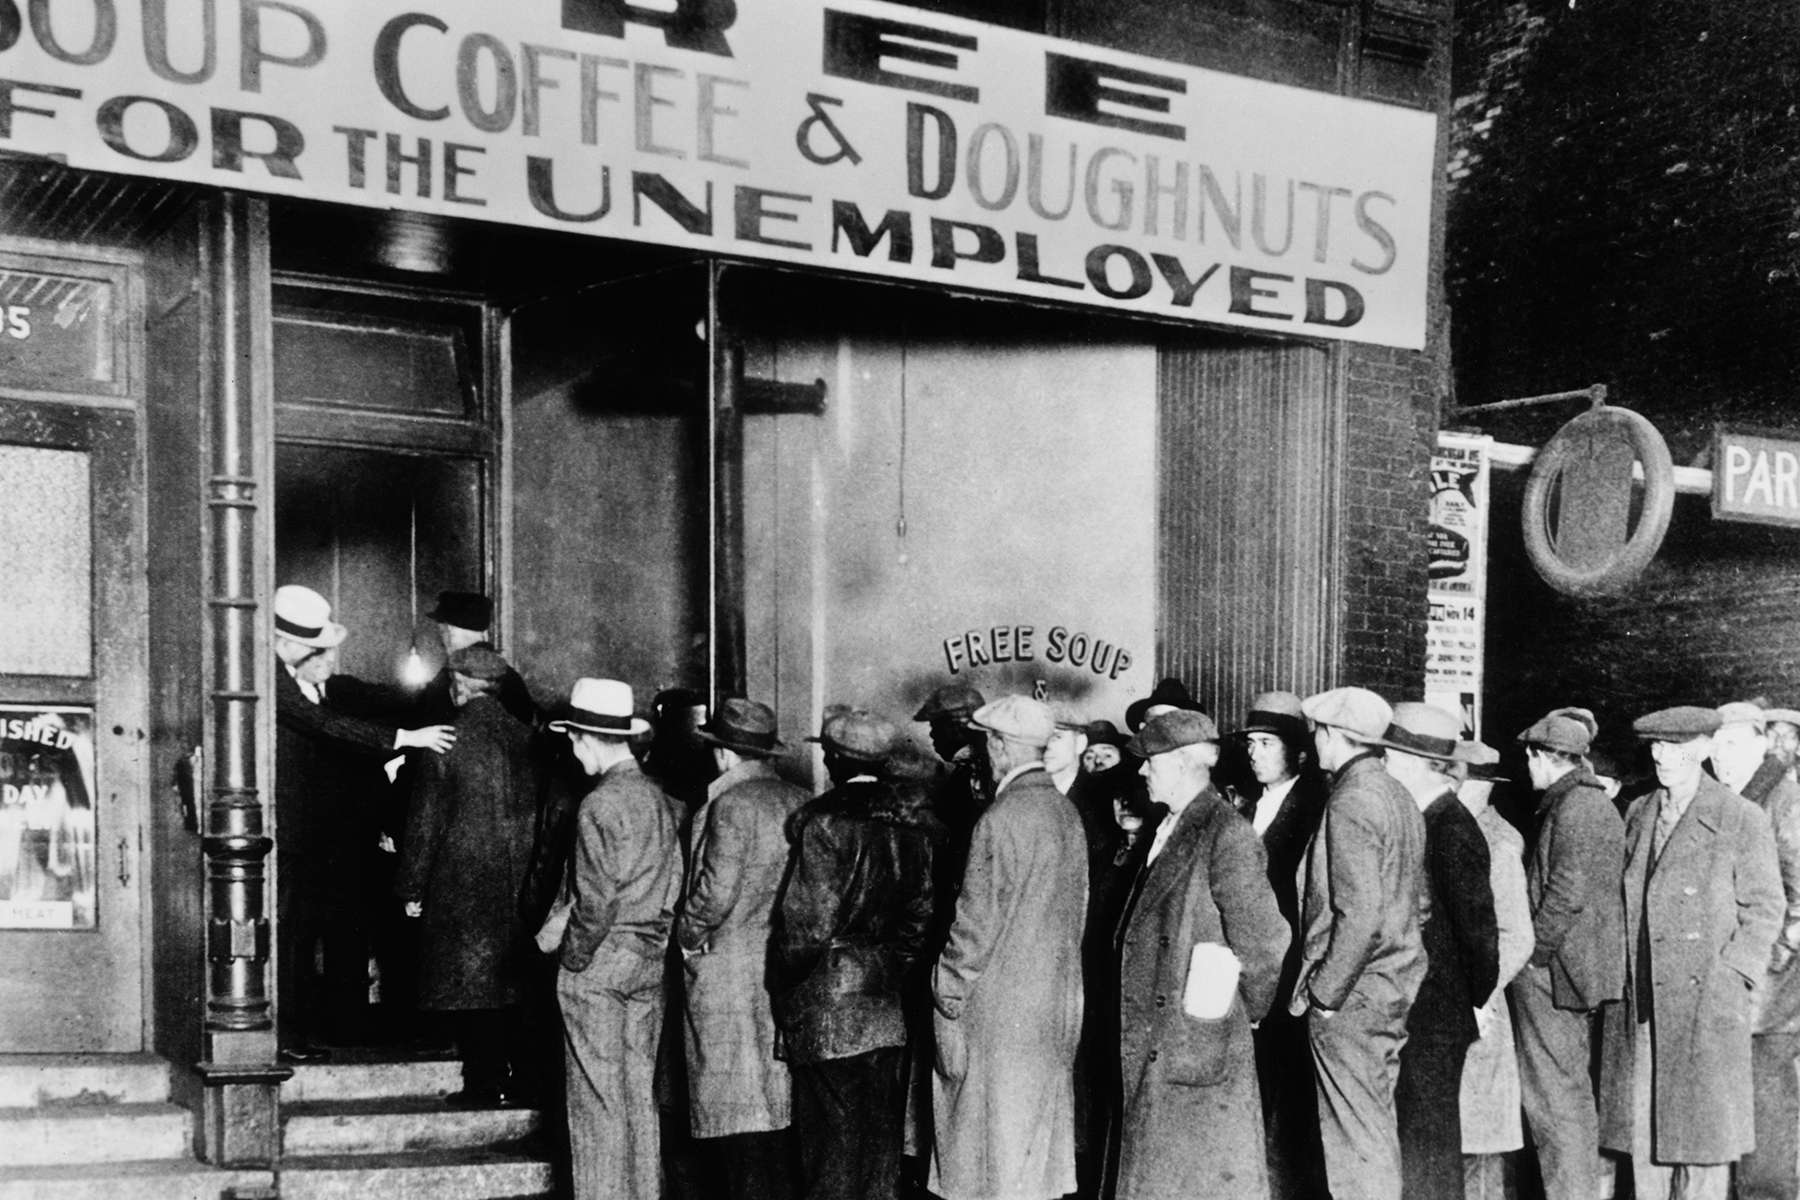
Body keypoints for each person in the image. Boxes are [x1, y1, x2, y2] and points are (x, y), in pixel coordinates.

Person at [1598, 706, 1783, 1200]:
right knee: (1646, 1142)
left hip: (1704, 1008)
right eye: (1656, 746)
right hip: (1642, 1009)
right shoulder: (1639, 812)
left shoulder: (1739, 817)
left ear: (1704, 749)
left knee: (1702, 1149)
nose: (1663, 757)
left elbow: (1766, 907)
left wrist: (1733, 977)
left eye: (1676, 747)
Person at [271, 583, 454, 1061]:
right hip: (287, 835)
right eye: (316, 650)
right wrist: (407, 739)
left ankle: (292, 1034)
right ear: (287, 643)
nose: (323, 658)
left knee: (296, 932)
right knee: (289, 933)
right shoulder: (270, 677)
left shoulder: (288, 673)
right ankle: (284, 1035)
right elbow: (325, 725)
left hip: (306, 838)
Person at [1113, 709, 1289, 1200]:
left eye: (1150, 761)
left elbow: (1264, 941)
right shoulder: (1170, 826)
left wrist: (1232, 1013)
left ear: (1185, 762)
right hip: (1163, 1041)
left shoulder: (1226, 834)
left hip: (1192, 1047)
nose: (1142, 771)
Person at [773, 708, 936, 1200]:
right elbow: (920, 921)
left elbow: (804, 930)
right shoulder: (912, 824)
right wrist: (884, 970)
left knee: (829, 1156)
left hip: (827, 1010)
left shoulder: (822, 823)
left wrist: (787, 991)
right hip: (886, 1009)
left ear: (833, 760)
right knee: (877, 1153)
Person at [930, 695, 1086, 1200]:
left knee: (985, 1163)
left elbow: (972, 932)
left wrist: (944, 996)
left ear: (998, 746)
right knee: (1034, 1163)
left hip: (999, 1018)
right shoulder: (1067, 814)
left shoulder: (1000, 819)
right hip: (1055, 1008)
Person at [548, 677, 684, 1200]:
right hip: (649, 962)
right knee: (636, 1101)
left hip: (601, 967)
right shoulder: (661, 800)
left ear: (585, 737)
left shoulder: (599, 805)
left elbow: (594, 904)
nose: (571, 750)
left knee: (596, 1106)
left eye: (573, 740)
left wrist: (573, 961)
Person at [1291, 686, 1427, 1200]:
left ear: (1336, 737)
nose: (1315, 745)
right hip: (1389, 987)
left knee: (1354, 1141)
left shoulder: (1351, 800)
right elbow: (1419, 904)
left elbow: (1362, 915)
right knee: (1371, 1126)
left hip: (1353, 994)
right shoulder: (1397, 796)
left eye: (1318, 734)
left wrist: (1327, 994)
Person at [396, 646, 540, 1105]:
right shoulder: (527, 737)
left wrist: (411, 886)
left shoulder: (446, 739)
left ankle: (483, 1083)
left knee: (471, 983)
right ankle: (514, 1078)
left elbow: (426, 821)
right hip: (521, 876)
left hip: (462, 878)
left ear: (459, 684)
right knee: (507, 980)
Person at [678, 698, 808, 1200]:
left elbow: (714, 893)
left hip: (726, 974)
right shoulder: (800, 798)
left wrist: (687, 942)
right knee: (775, 1113)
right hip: (779, 969)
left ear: (723, 755)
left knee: (734, 1119)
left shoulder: (728, 805)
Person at [1381, 702, 1499, 1200]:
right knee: (1418, 1135)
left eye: (1389, 756)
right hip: (1423, 1010)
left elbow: (1479, 933)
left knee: (1429, 1140)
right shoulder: (1424, 820)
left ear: (1417, 762)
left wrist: (1470, 998)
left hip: (1437, 1015)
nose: (1383, 766)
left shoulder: (1450, 828)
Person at [1509, 708, 1624, 1200]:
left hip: (1554, 977)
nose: (1527, 769)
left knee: (1555, 1102)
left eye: (1529, 757)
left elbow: (1564, 894)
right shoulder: (1586, 802)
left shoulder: (1575, 806)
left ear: (1542, 757)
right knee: (1567, 1098)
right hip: (1570, 973)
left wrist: (1531, 955)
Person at [1229, 690, 1329, 1200]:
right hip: (1252, 967)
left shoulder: (1313, 809)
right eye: (1251, 743)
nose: (1254, 752)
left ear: (1298, 752)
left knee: (1285, 1098)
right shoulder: (1247, 806)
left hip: (1287, 970)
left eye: (1267, 743)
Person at [1708, 701, 1800, 1200]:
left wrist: (1770, 963)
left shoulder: (1784, 800)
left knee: (1765, 1102)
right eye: (1716, 745)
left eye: (1734, 744)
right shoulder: (1742, 799)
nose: (1722, 757)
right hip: (1744, 982)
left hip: (1769, 991)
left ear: (1763, 742)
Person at [1453, 742, 1534, 1200]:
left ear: (1479, 787)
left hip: (1482, 1011)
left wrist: (1478, 997)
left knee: (1480, 1146)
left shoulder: (1498, 844)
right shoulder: (1459, 832)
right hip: (1460, 1006)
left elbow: (1517, 936)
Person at [412, 590, 537, 727]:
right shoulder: (507, 674)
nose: (441, 639)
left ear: (451, 632)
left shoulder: (455, 673)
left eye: (442, 631)